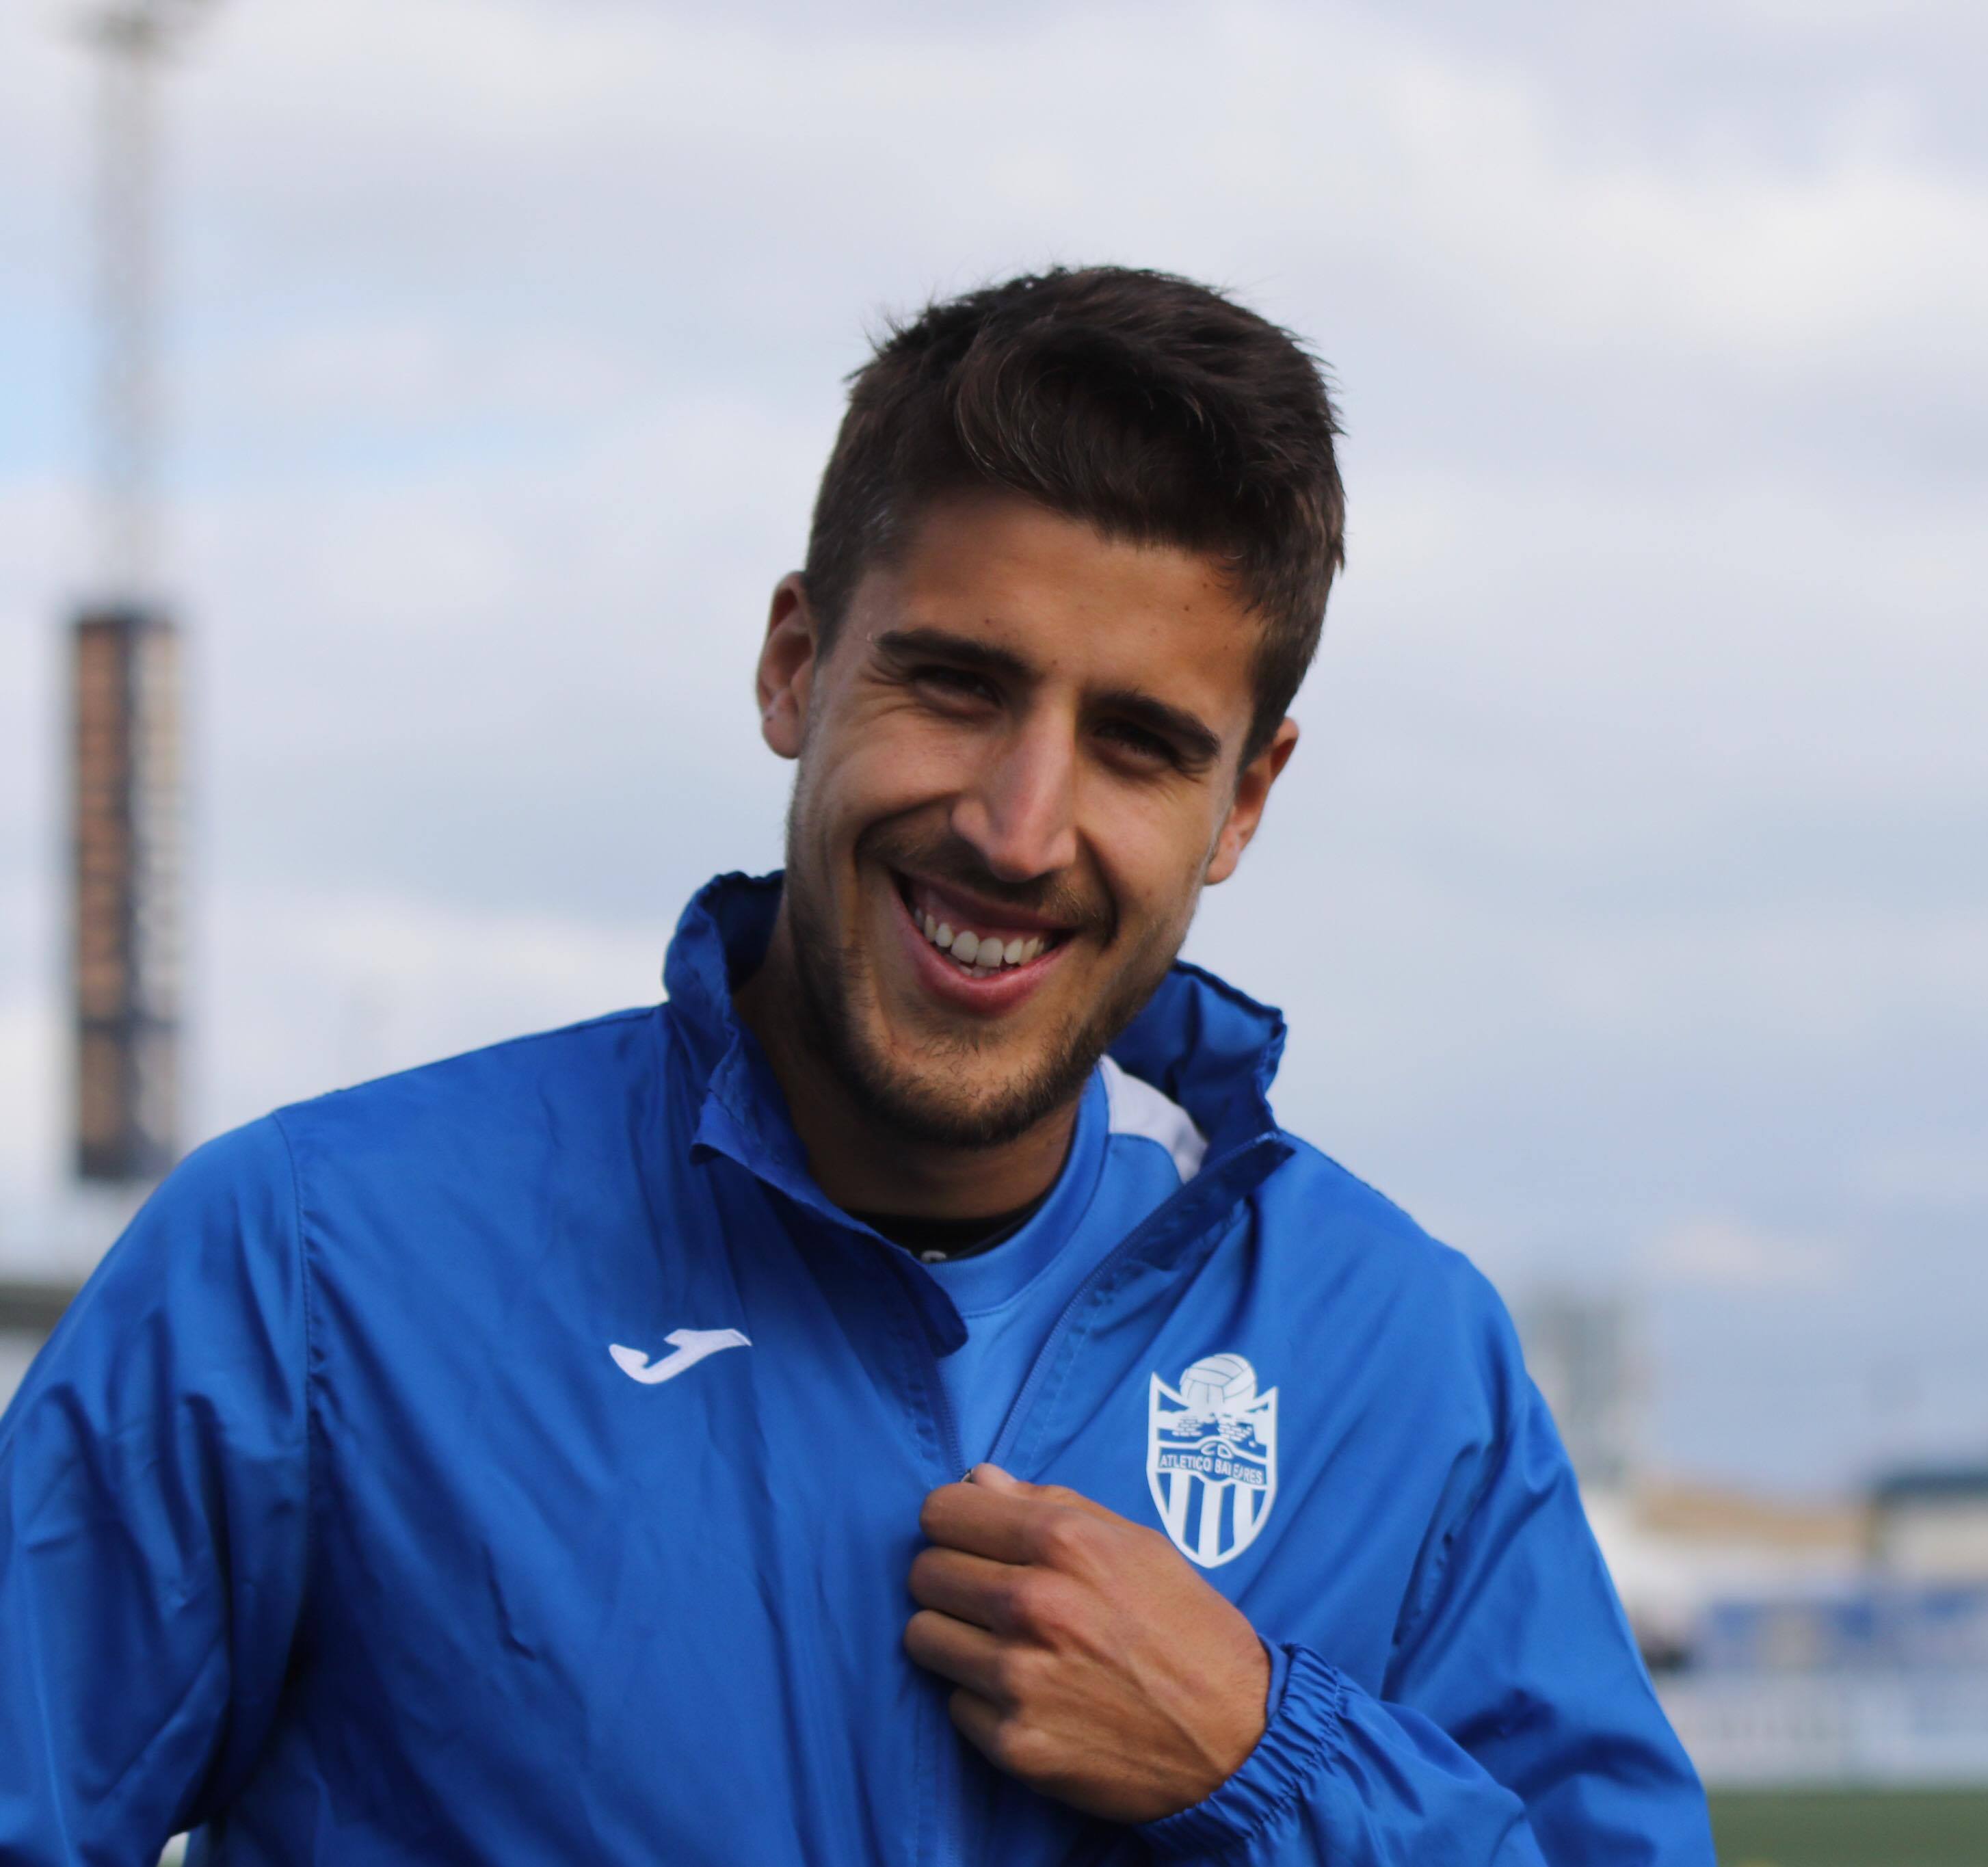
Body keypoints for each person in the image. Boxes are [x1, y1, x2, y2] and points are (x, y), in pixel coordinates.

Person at [0, 267, 1714, 1864]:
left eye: (1135, 744)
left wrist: (1269, 1758)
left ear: (1241, 804)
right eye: (957, 686)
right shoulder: (314, 1274)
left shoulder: (1401, 1365)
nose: (1017, 829)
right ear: (794, 665)